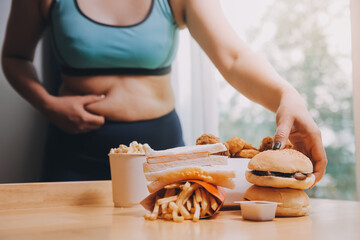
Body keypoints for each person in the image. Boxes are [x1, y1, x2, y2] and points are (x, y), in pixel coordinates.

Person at [1, 0, 327, 185]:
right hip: (74, 151)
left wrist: (287, 95)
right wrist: (47, 103)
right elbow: (14, 56)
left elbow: (234, 59)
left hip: (161, 154)